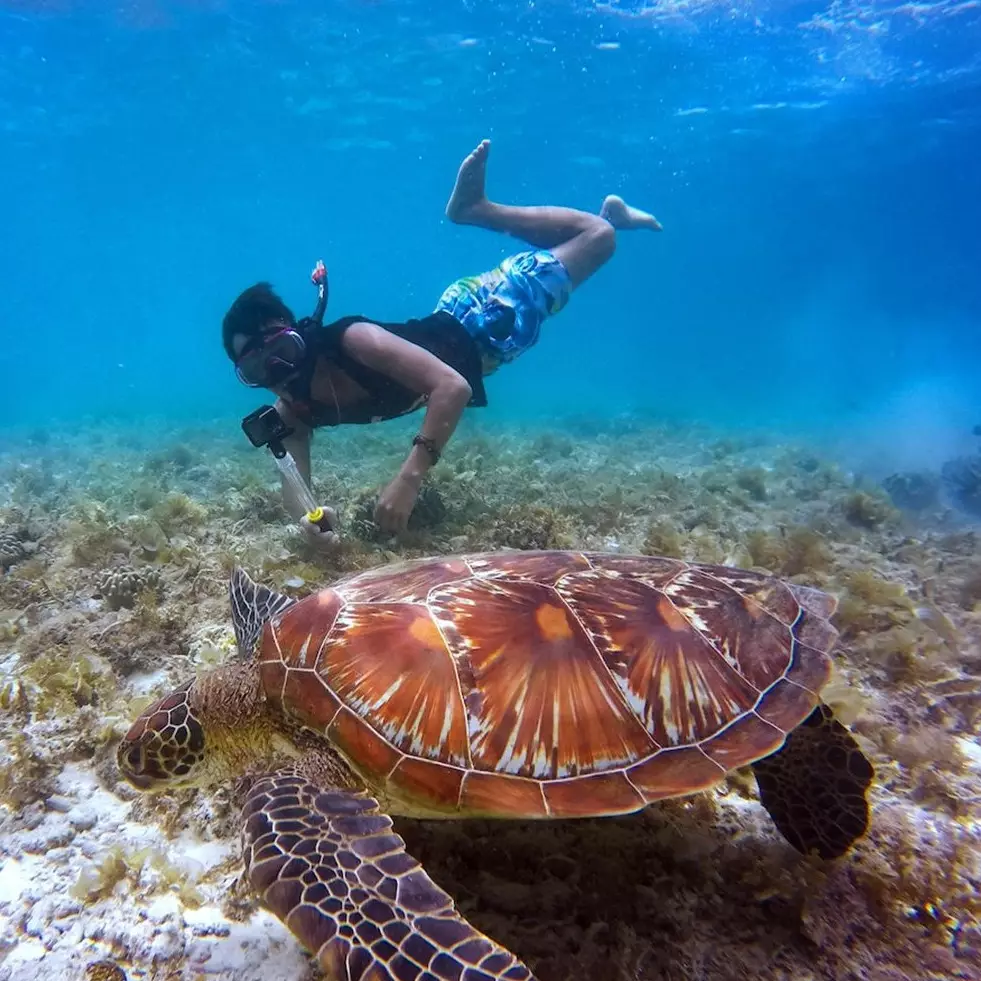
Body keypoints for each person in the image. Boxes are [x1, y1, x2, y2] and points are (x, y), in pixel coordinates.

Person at [222, 139, 661, 546]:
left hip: (487, 318)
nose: (280, 375)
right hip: (467, 330)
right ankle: (612, 215)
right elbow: (295, 483)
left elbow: (452, 388)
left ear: (299, 334)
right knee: (589, 242)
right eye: (259, 370)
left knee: (597, 242)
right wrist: (311, 523)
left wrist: (409, 478)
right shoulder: (294, 412)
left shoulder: (353, 340)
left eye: (282, 353)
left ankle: (476, 209)